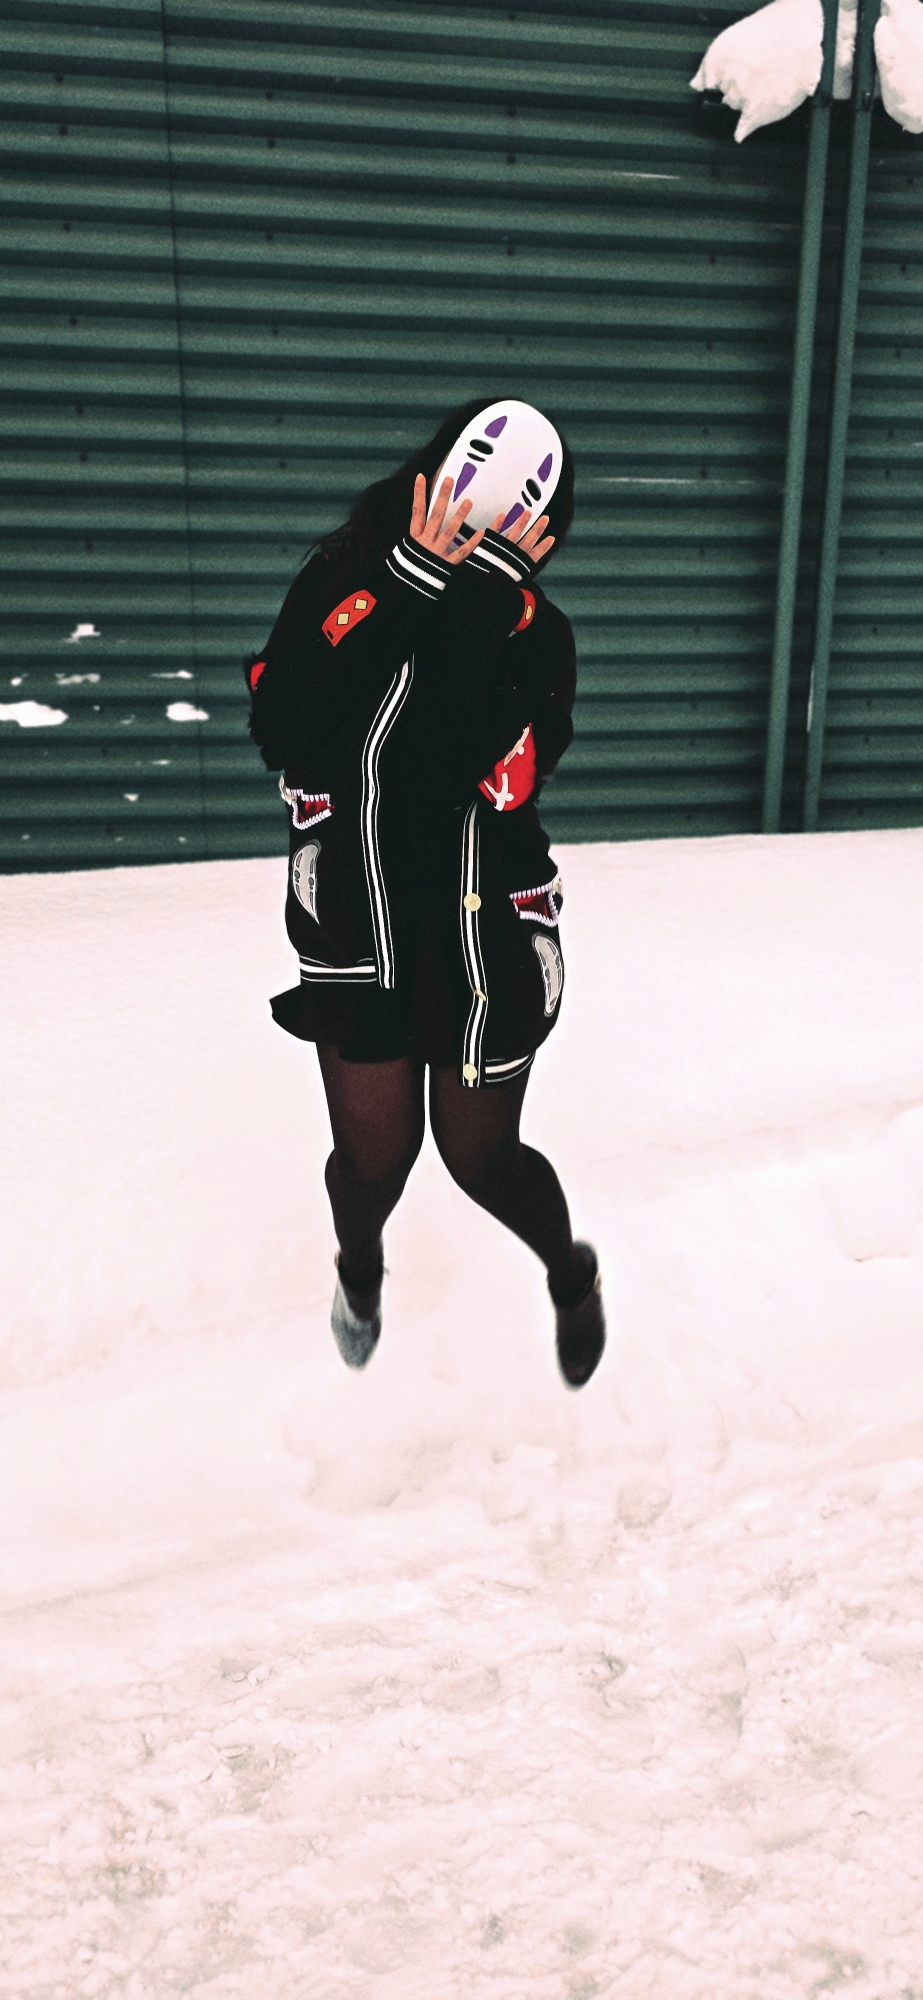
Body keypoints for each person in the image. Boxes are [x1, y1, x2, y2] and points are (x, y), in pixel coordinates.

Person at [246, 397, 605, 1389]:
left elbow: (476, 779)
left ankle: (569, 1273)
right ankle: (359, 1272)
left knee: (479, 1159)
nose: (488, 509)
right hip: (356, 923)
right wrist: (407, 582)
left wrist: (473, 600)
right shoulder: (345, 575)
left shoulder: (535, 635)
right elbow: (285, 725)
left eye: (522, 501)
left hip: (477, 936)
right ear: (433, 470)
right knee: (373, 1161)